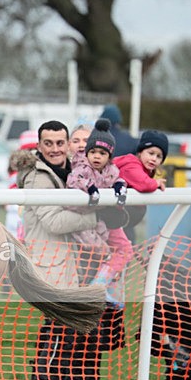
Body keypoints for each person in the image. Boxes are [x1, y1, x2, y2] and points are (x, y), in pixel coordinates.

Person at [13, 120, 126, 380]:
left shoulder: (70, 172)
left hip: (69, 263)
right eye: (48, 143)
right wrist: (98, 217)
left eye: (59, 143)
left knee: (67, 333)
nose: (55, 148)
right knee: (55, 332)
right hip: (49, 264)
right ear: (38, 146)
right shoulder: (40, 177)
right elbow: (55, 221)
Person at [65, 118, 131, 307]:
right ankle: (96, 291)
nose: (80, 146)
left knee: (120, 250)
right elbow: (76, 180)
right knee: (101, 252)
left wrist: (120, 190)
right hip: (83, 220)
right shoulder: (78, 168)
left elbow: (116, 179)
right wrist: (92, 190)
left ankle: (102, 289)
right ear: (69, 144)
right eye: (75, 141)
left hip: (103, 220)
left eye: (85, 141)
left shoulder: (108, 169)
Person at [113, 129, 169, 242]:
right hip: (110, 219)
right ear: (140, 152)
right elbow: (143, 183)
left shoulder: (145, 170)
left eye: (159, 156)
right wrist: (156, 183)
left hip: (120, 220)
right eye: (151, 153)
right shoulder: (131, 165)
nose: (154, 159)